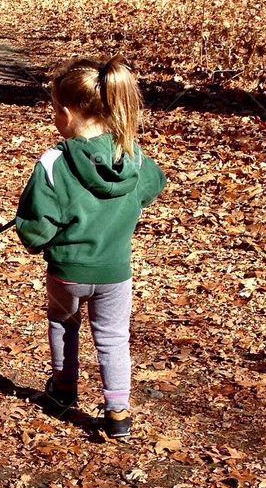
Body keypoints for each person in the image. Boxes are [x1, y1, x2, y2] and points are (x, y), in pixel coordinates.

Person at [15, 56, 166, 439]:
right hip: (116, 272)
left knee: (63, 322)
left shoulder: (53, 163)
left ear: (65, 114)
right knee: (113, 337)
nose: (53, 119)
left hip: (67, 271)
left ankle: (64, 390)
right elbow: (153, 185)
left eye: (53, 111)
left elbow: (36, 228)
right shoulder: (131, 155)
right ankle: (118, 415)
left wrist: (40, 235)